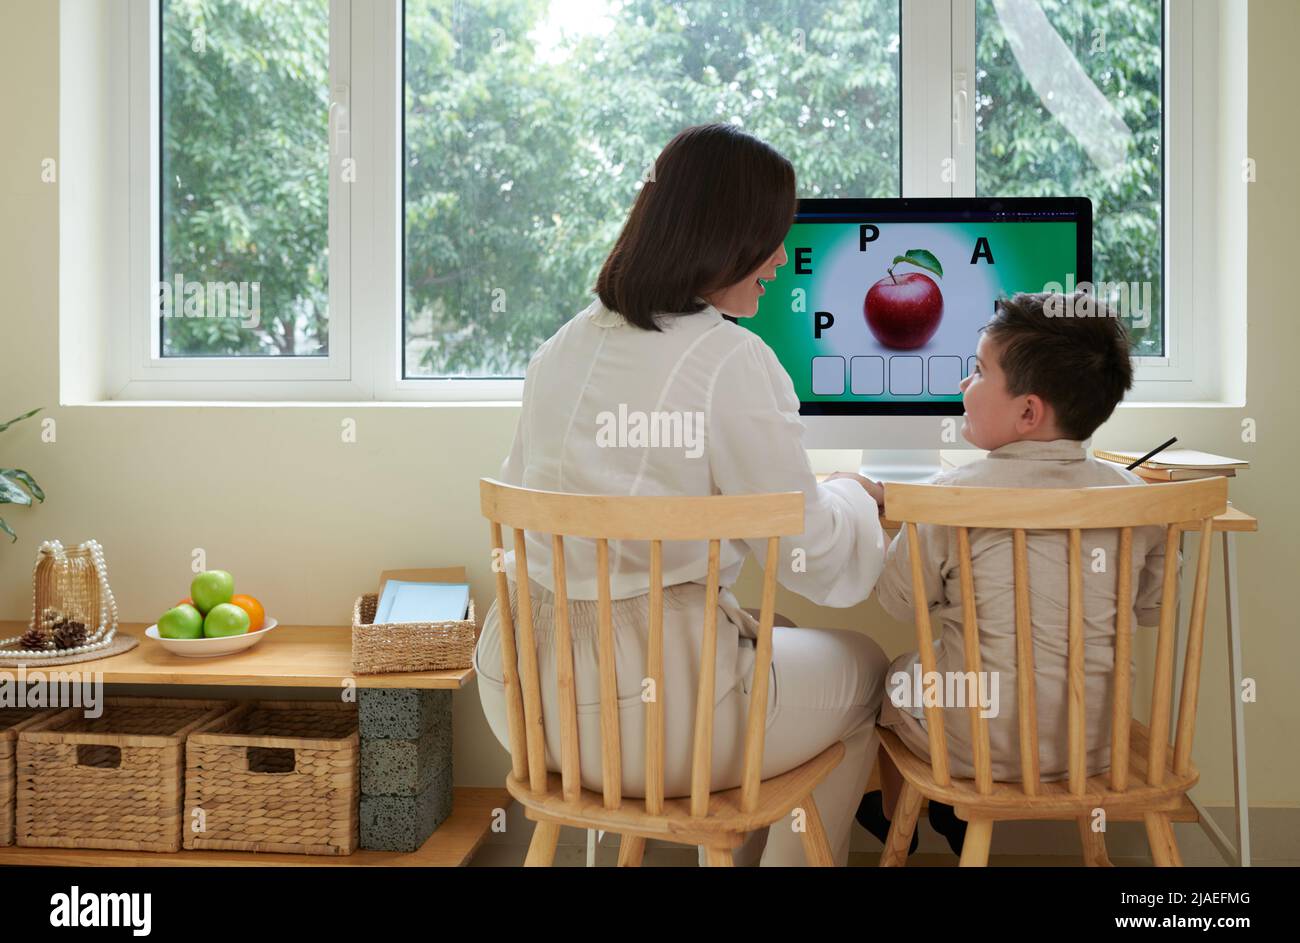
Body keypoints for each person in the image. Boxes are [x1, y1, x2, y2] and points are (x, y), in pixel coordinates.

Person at [474, 123, 890, 866]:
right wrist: (859, 494)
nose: (780, 258)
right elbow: (812, 557)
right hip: (655, 725)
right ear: (725, 235)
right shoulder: (728, 360)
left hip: (527, 705)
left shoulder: (561, 346)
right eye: (771, 237)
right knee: (864, 671)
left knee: (766, 633)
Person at [857, 291, 1169, 857]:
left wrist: (891, 526)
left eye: (977, 371)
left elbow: (898, 604)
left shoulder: (950, 497)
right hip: (1097, 751)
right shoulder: (1137, 499)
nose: (963, 385)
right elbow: (1152, 609)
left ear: (1027, 412)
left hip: (971, 748)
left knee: (890, 678)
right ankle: (951, 813)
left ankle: (906, 813)